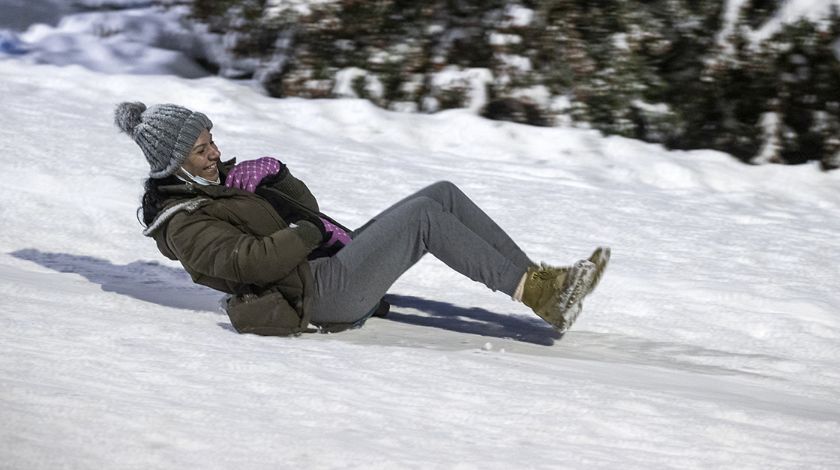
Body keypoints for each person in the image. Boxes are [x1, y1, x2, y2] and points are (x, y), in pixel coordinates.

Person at [115, 102, 610, 336]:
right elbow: (248, 264)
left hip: (324, 265)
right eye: (202, 149)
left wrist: (277, 180)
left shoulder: (221, 181)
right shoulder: (183, 221)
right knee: (423, 219)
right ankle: (541, 295)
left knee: (442, 194)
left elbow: (308, 208)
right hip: (315, 294)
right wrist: (302, 233)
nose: (215, 152)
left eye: (212, 140)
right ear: (173, 162)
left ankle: (542, 282)